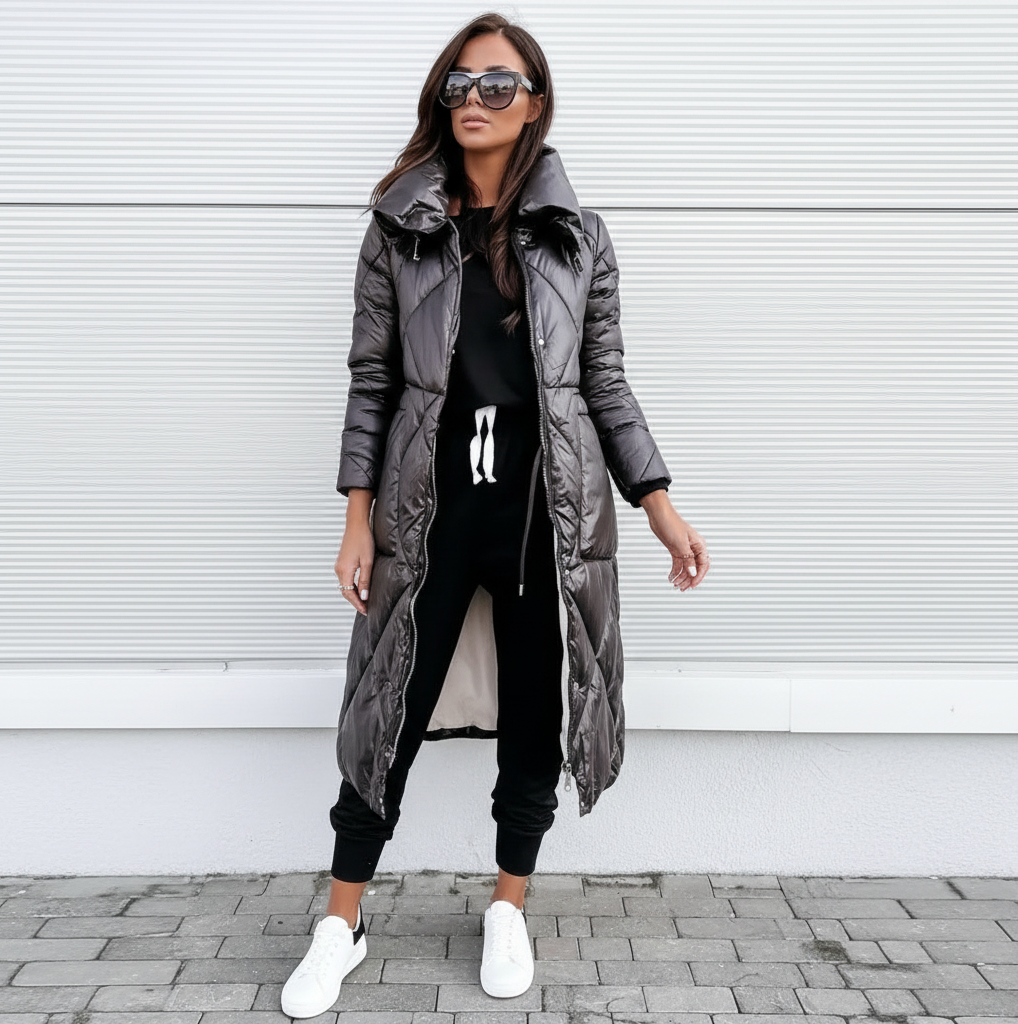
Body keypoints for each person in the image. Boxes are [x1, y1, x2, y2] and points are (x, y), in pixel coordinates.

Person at [281, 12, 710, 1020]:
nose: (474, 100)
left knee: (533, 715)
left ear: (535, 104)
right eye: (459, 84)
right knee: (385, 713)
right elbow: (372, 382)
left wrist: (657, 500)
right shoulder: (398, 229)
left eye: (498, 84)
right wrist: (355, 519)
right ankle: (341, 921)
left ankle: (508, 904)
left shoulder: (579, 238)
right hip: (425, 513)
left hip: (543, 517)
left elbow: (602, 383)